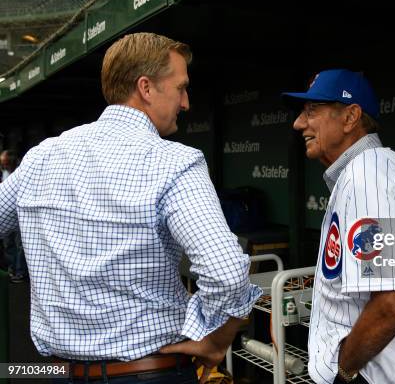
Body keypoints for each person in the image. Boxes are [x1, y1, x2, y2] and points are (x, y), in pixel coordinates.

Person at [0, 32, 261, 383]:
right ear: (146, 88)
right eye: (181, 87)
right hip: (150, 372)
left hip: (55, 373)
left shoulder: (41, 157)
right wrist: (215, 339)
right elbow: (227, 273)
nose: (186, 102)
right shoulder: (175, 162)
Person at [283, 69, 395, 384]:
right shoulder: (384, 166)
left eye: (312, 111)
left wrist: (344, 372)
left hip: (372, 375)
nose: (299, 123)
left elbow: (394, 301)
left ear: (351, 117)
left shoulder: (367, 176)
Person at [0, 149, 27, 283]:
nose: (3, 165)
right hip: (7, 211)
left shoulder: (20, 170)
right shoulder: (3, 171)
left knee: (19, 245)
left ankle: (19, 271)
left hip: (20, 214)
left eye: (5, 163)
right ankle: (12, 269)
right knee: (8, 244)